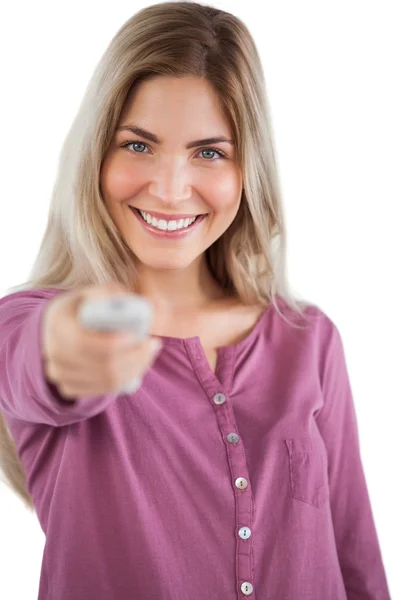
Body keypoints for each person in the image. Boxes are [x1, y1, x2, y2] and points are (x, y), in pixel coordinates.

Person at [0, 2, 391, 599]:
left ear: (246, 170)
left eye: (209, 152)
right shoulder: (28, 320)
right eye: (137, 145)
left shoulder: (308, 338)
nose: (170, 187)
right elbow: (33, 357)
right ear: (95, 153)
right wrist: (69, 346)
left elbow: (356, 558)